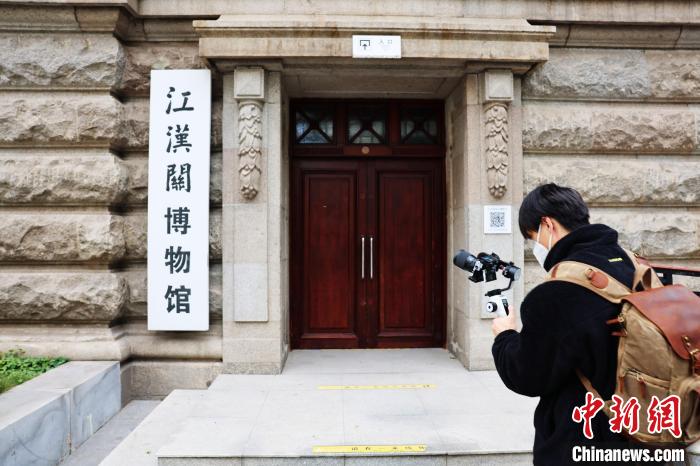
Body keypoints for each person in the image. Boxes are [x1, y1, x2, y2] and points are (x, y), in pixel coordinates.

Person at [491, 183, 646, 465]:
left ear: (547, 225)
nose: (535, 247)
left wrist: (505, 335)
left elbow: (527, 375)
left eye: (532, 237)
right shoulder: (633, 265)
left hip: (584, 438)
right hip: (646, 431)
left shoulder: (555, 294)